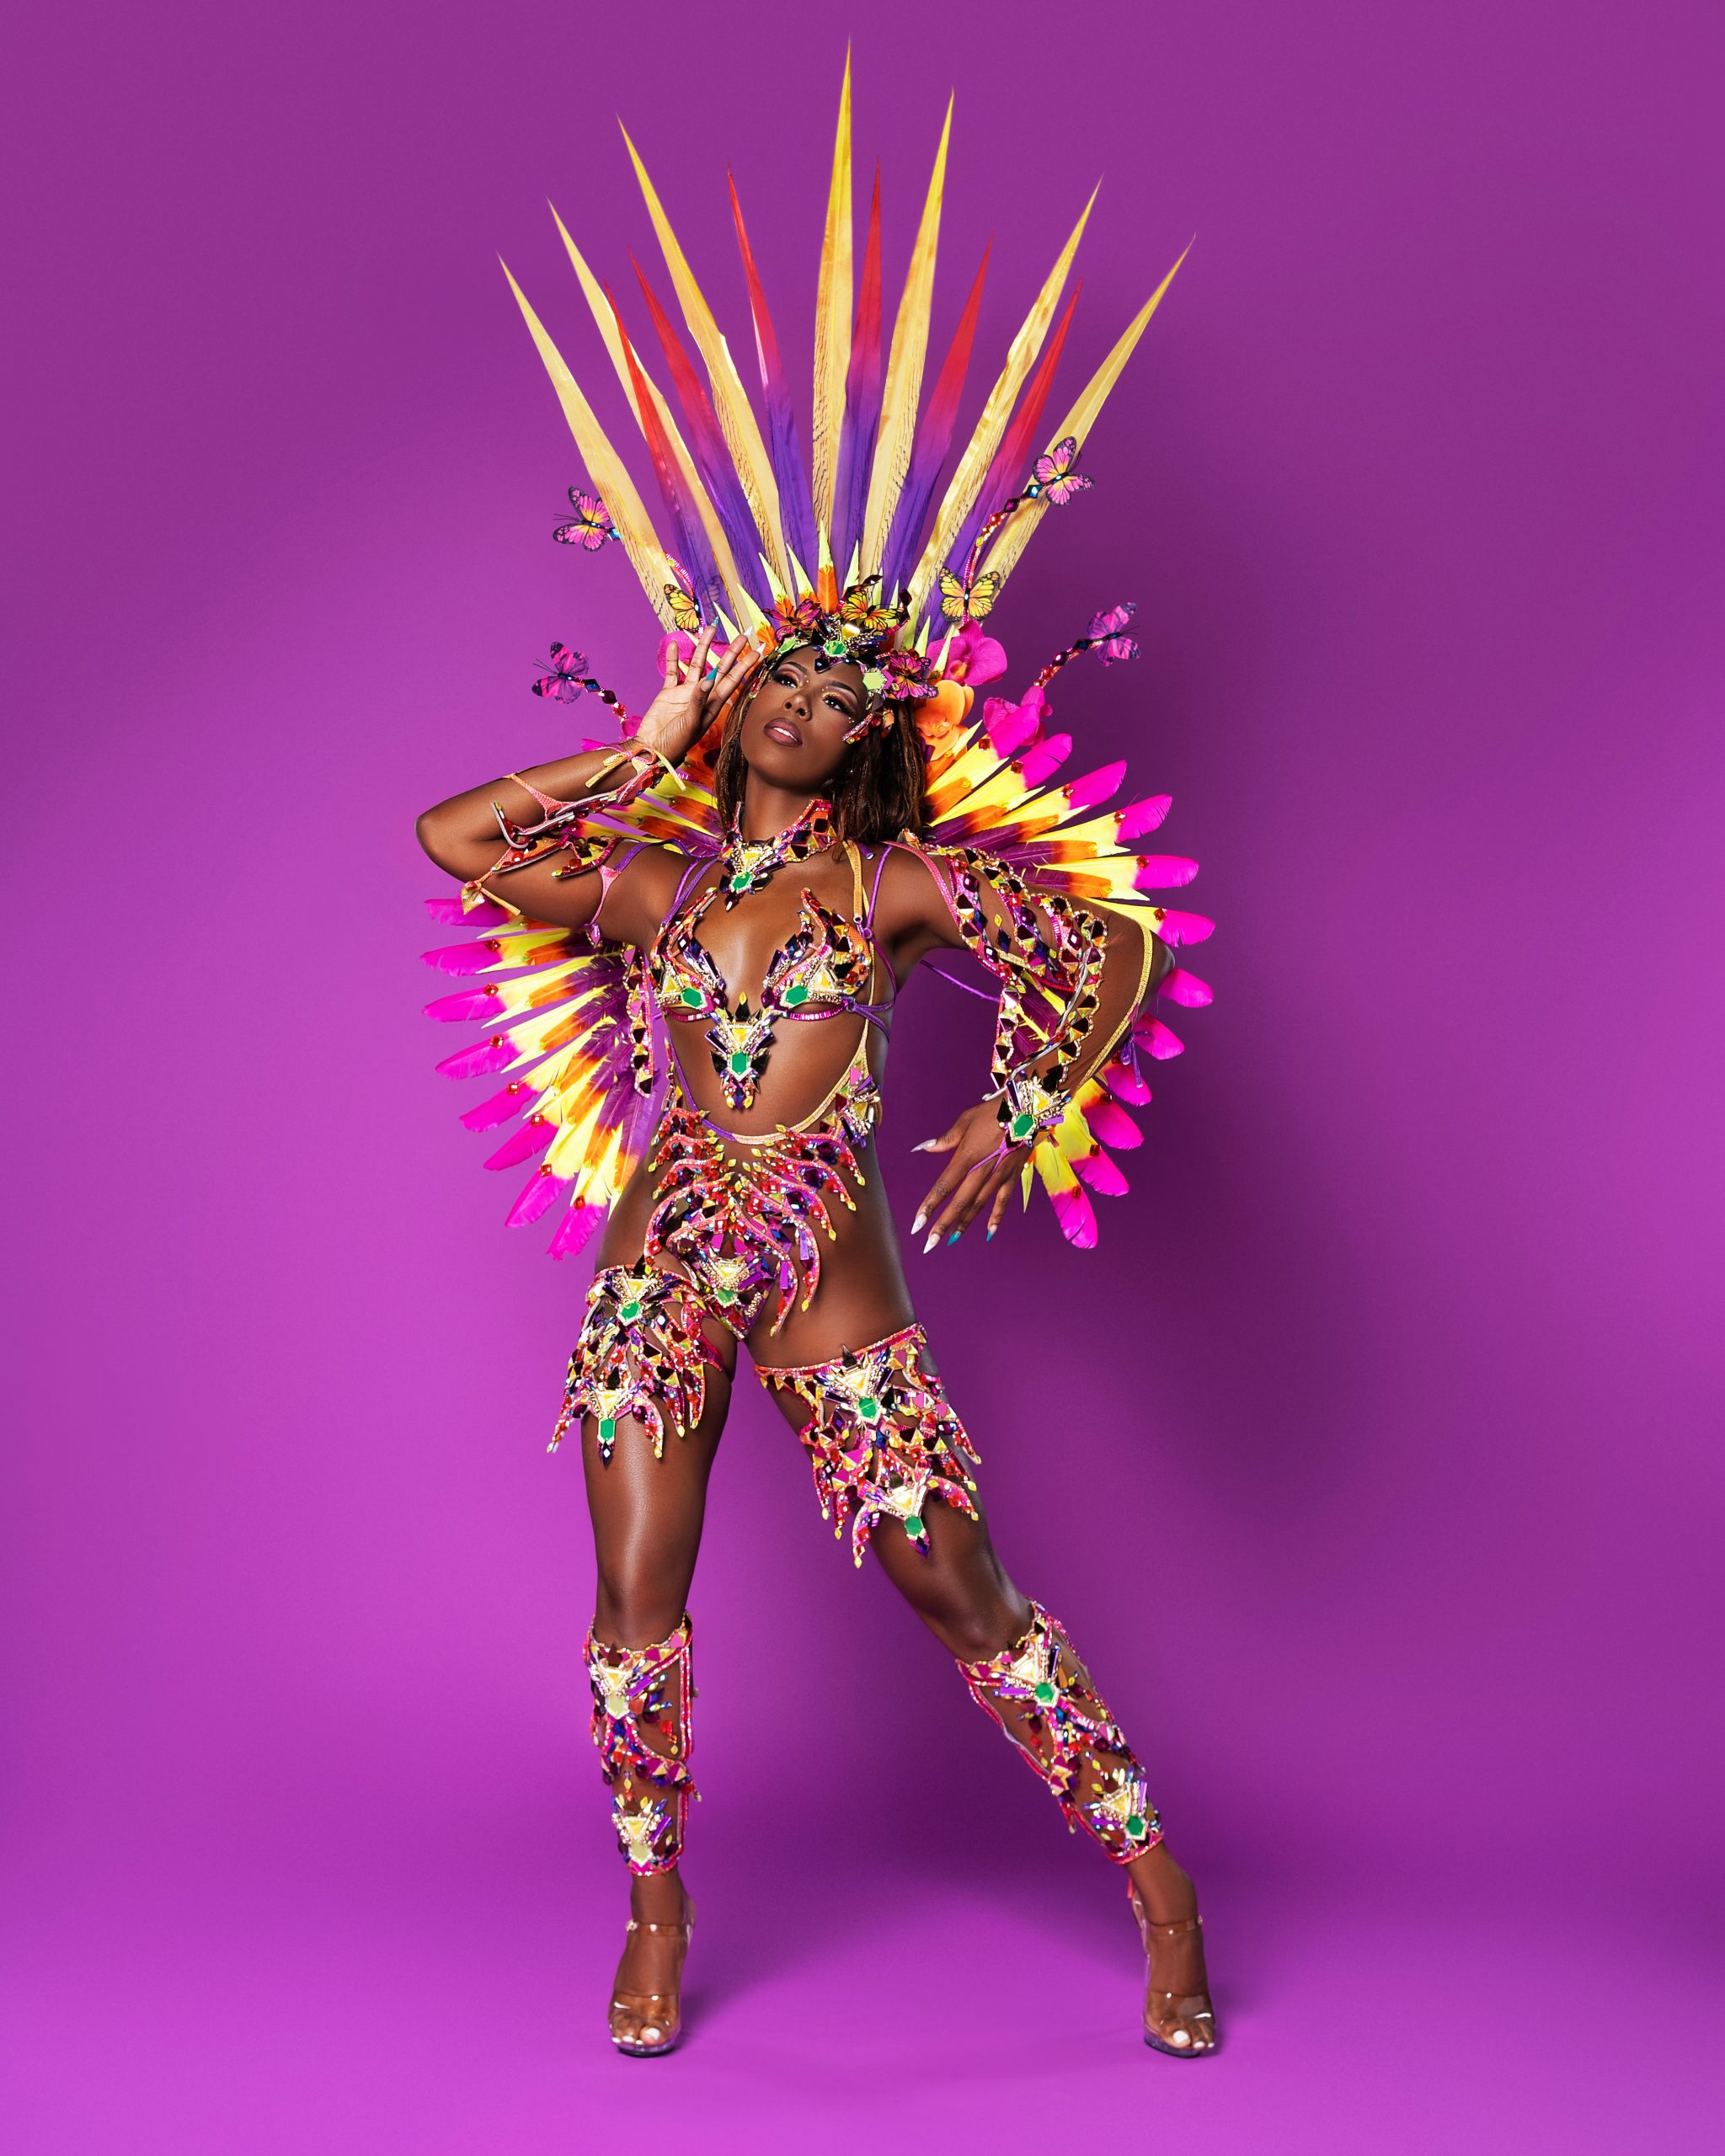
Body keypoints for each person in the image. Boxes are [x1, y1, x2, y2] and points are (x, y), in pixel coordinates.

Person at [415, 67, 1217, 2059]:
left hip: (827, 1269)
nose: (804, 694)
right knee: (632, 1594)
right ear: (739, 693)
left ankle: (1158, 1879)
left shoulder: (896, 882)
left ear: (872, 732)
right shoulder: (656, 879)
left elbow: (1114, 940)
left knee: (957, 1580)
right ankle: (657, 1902)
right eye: (781, 667)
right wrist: (640, 737)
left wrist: (1021, 1100)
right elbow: (452, 838)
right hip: (658, 1257)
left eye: (843, 684)